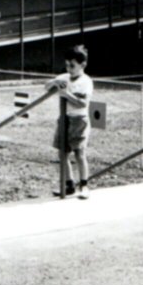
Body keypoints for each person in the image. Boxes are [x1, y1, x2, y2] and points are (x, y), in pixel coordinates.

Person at [46, 46, 94, 200]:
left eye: (72, 65)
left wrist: (66, 94)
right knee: (62, 153)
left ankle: (84, 185)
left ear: (82, 65)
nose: (69, 68)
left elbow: (82, 104)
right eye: (67, 65)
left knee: (79, 153)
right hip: (64, 118)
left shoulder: (86, 82)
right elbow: (46, 86)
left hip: (79, 120)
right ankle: (69, 184)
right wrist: (54, 82)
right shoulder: (65, 77)